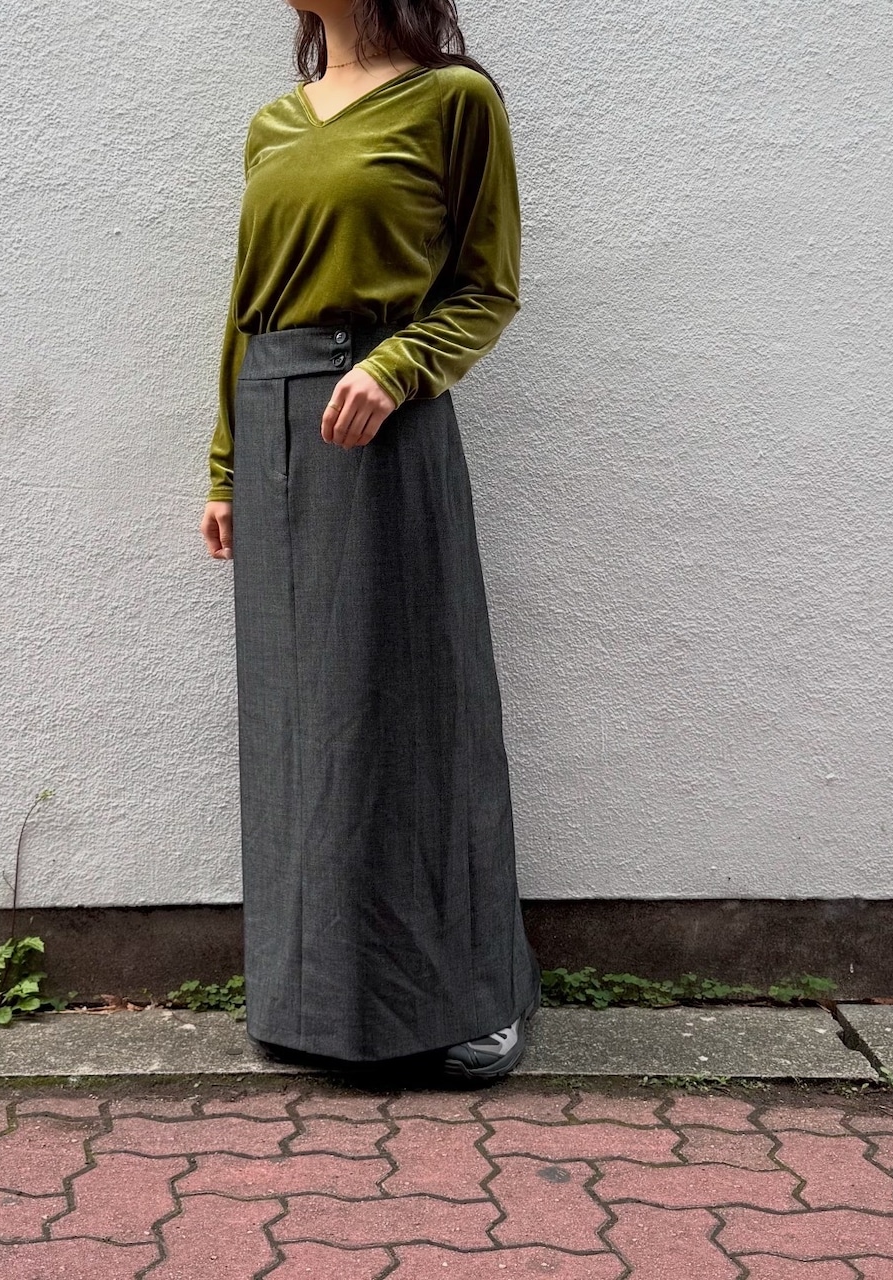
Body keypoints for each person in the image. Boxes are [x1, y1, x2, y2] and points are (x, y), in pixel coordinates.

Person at [199, 0, 541, 1082]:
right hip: (273, 424)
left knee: (412, 712)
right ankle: (306, 1002)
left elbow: (486, 288)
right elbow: (245, 310)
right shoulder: (272, 124)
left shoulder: (453, 100)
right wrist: (225, 466)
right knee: (295, 726)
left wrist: (395, 367)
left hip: (379, 420)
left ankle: (469, 997)